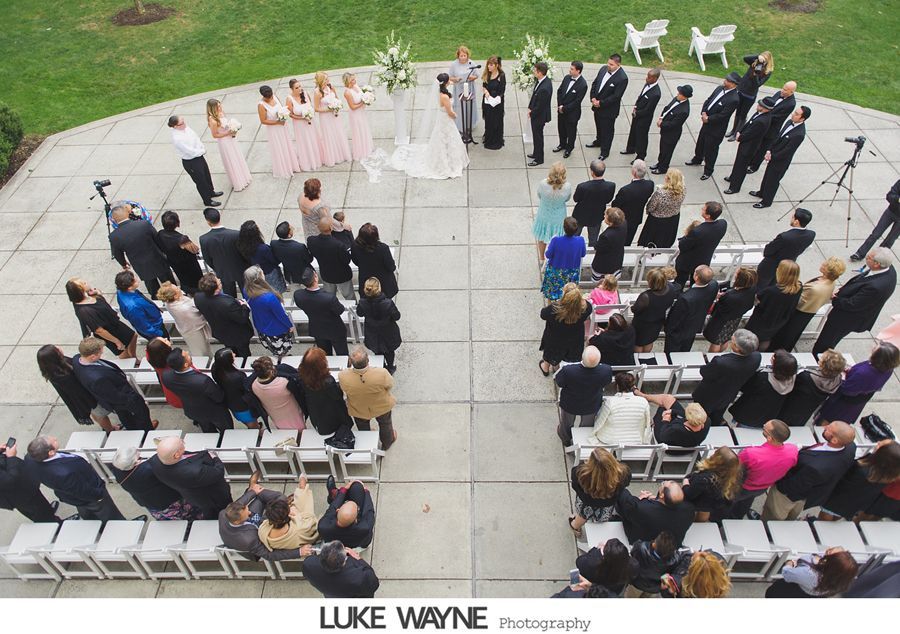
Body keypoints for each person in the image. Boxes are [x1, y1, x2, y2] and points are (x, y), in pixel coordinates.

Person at [762, 421, 857, 521]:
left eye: (829, 429)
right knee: (792, 514)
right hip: (809, 491)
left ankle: (767, 529)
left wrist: (778, 484)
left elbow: (793, 486)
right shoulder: (850, 447)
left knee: (774, 515)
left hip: (788, 495)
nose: (825, 427)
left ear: (834, 440)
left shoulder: (815, 467)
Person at [813, 248, 897, 354]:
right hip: (855, 307)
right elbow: (863, 280)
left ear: (877, 264)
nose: (866, 258)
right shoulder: (888, 268)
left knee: (827, 340)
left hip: (846, 318)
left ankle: (819, 358)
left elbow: (852, 304)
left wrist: (834, 299)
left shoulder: (876, 287)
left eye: (869, 258)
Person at [25, 435, 125, 521]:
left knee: (86, 511)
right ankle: (119, 526)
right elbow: (83, 491)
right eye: (53, 441)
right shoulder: (64, 474)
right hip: (90, 495)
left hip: (71, 494)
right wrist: (99, 495)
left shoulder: (29, 458)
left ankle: (93, 521)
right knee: (108, 513)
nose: (55, 438)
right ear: (50, 452)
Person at [391, 73, 469, 179]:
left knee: (442, 137)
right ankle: (446, 164)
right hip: (446, 119)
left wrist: (452, 81)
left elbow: (449, 84)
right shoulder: (445, 97)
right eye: (448, 81)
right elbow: (450, 112)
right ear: (445, 83)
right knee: (447, 136)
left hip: (442, 118)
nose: (449, 82)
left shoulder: (439, 92)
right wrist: (455, 115)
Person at [72, 337, 157, 431]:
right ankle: (146, 431)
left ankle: (135, 427)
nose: (102, 353)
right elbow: (115, 397)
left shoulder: (77, 358)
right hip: (124, 400)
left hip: (119, 390)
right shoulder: (97, 379)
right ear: (92, 356)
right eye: (100, 352)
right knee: (140, 414)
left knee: (127, 416)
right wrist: (133, 399)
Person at [220, 479, 309, 561]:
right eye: (246, 512)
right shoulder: (250, 540)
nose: (249, 511)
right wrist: (299, 552)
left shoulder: (225, 513)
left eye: (246, 508)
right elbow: (269, 555)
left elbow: (238, 503)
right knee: (279, 510)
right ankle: (283, 506)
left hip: (252, 522)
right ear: (237, 521)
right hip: (259, 531)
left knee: (261, 496)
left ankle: (281, 502)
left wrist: (253, 491)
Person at [769, 257, 846, 351]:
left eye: (825, 265)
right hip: (810, 310)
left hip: (801, 312)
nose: (822, 264)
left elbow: (799, 300)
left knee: (787, 333)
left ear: (828, 271)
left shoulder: (815, 288)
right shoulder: (830, 282)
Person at [728, 419, 798, 519]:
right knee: (746, 502)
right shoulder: (793, 450)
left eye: (765, 427)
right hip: (762, 487)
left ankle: (719, 518)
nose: (763, 425)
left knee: (728, 501)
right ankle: (737, 516)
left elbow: (733, 467)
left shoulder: (751, 453)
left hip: (743, 486)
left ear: (769, 438)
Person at [817, 341, 900, 425]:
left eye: (875, 349)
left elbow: (846, 389)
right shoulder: (887, 369)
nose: (872, 348)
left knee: (827, 422)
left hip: (843, 404)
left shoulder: (864, 373)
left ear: (879, 359)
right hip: (857, 402)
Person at [149, 436, 232, 520]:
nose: (183, 441)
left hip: (193, 495)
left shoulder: (155, 461)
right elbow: (218, 472)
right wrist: (215, 457)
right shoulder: (194, 472)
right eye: (182, 443)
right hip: (212, 497)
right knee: (220, 511)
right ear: (177, 455)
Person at [692, 329, 761, 425]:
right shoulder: (756, 357)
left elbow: (705, 372)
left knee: (700, 415)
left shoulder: (721, 362)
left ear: (737, 348)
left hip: (709, 394)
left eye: (732, 341)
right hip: (730, 393)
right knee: (718, 413)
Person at [37, 345, 114, 431]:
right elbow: (80, 391)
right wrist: (94, 402)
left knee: (97, 414)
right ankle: (110, 430)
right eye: (56, 349)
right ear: (54, 356)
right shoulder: (63, 376)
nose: (59, 348)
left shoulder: (53, 369)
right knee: (100, 415)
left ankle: (108, 428)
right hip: (87, 399)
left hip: (83, 399)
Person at [819, 439, 900, 521]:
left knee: (827, 513)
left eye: (880, 445)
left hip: (838, 498)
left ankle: (820, 524)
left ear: (882, 455)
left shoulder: (862, 469)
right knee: (839, 513)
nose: (878, 443)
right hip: (855, 504)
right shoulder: (889, 476)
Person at [110, 446, 198, 521]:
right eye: (138, 455)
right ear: (135, 462)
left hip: (149, 503)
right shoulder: (148, 469)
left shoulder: (117, 469)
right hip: (169, 500)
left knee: (168, 520)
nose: (139, 452)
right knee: (186, 516)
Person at [108, 204, 174, 299]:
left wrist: (123, 264)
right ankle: (173, 295)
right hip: (157, 259)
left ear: (114, 220)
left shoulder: (114, 236)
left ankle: (157, 299)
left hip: (140, 265)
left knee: (152, 286)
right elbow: (157, 239)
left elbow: (118, 254)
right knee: (168, 281)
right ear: (127, 214)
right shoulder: (144, 224)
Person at [750, 106, 811, 208]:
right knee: (767, 176)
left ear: (802, 119)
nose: (793, 114)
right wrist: (769, 150)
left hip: (780, 161)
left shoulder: (799, 134)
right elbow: (778, 137)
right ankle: (761, 192)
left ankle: (766, 201)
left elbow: (787, 151)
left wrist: (772, 157)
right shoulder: (789, 122)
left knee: (773, 181)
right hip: (773, 155)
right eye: (794, 112)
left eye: (796, 114)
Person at [162, 347, 233, 432]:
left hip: (193, 410)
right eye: (186, 355)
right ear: (185, 365)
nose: (188, 353)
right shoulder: (202, 381)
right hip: (214, 412)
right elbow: (218, 397)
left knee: (207, 429)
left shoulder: (166, 376)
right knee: (226, 430)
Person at [339, 346, 397, 450]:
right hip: (381, 406)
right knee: (385, 424)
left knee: (363, 427)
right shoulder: (381, 373)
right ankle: (387, 442)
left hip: (358, 408)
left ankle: (367, 444)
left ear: (351, 362)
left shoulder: (343, 376)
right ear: (368, 360)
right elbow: (389, 385)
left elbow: (344, 389)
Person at [685, 72, 740, 180]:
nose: (725, 81)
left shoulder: (734, 99)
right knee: (701, 142)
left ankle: (708, 170)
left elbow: (723, 115)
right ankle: (697, 158)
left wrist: (708, 119)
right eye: (726, 79)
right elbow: (709, 100)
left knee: (711, 149)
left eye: (728, 81)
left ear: (734, 84)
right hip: (706, 122)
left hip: (716, 129)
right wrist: (704, 112)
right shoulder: (719, 88)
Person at [67, 277, 137, 359]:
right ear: (80, 291)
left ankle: (134, 357)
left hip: (114, 323)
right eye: (84, 283)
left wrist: (98, 293)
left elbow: (100, 302)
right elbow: (99, 330)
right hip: (108, 332)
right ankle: (132, 362)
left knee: (133, 336)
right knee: (123, 351)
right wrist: (116, 341)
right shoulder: (84, 311)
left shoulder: (89, 295)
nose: (87, 282)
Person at [554, 346, 612, 444]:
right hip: (591, 403)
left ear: (582, 357)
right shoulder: (605, 370)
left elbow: (559, 382)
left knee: (566, 423)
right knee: (587, 425)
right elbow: (606, 382)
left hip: (570, 403)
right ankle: (582, 440)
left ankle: (565, 438)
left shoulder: (568, 371)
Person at [569, 448, 631, 536]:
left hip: (586, 503)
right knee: (603, 518)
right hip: (608, 504)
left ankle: (576, 527)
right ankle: (598, 533)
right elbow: (626, 484)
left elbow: (575, 486)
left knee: (582, 515)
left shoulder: (580, 473)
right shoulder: (624, 473)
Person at [729, 349, 797, 428]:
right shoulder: (792, 379)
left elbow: (746, 387)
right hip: (767, 415)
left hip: (749, 412)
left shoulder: (763, 378)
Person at [745, 259, 802, 351]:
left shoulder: (772, 291)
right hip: (779, 321)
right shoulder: (798, 288)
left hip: (762, 320)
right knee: (766, 339)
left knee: (750, 340)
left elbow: (757, 299)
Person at [777, 350, 846, 426]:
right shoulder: (837, 380)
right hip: (806, 411)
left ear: (823, 365)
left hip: (791, 406)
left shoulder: (807, 377)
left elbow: (791, 385)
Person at [193, 273, 254, 358]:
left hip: (220, 332)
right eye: (219, 282)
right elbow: (242, 318)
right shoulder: (227, 304)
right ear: (216, 289)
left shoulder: (198, 297)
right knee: (244, 354)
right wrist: (244, 306)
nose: (220, 280)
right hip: (237, 334)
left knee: (230, 351)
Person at [616, 481, 695, 546]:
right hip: (669, 546)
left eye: (664, 484)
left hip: (641, 543)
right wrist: (656, 501)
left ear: (662, 495)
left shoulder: (642, 508)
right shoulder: (689, 510)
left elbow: (626, 502)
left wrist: (638, 500)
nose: (665, 482)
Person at [298, 346, 354, 438]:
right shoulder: (328, 381)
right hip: (332, 412)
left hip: (316, 411)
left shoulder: (302, 376)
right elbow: (337, 396)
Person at [167, 114, 222, 206]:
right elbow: (189, 151)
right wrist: (201, 151)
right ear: (175, 126)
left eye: (184, 121)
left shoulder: (185, 128)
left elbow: (196, 137)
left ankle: (211, 192)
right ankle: (207, 201)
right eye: (182, 123)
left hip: (199, 156)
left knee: (206, 175)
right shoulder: (177, 138)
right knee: (200, 181)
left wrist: (201, 147)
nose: (184, 124)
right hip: (191, 161)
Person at [723, 96, 774, 194]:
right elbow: (749, 124)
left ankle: (734, 187)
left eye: (760, 105)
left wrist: (740, 137)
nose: (758, 105)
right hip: (745, 143)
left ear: (766, 108)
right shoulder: (759, 114)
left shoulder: (762, 121)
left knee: (741, 167)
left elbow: (751, 133)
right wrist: (740, 131)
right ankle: (733, 177)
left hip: (749, 147)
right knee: (738, 163)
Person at [538, 282, 592, 376]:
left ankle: (546, 368)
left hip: (555, 337)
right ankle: (557, 368)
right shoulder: (586, 308)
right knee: (567, 353)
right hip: (574, 338)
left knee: (551, 352)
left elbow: (543, 314)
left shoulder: (555, 309)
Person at [755, 208, 816, 289]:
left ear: (796, 222)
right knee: (774, 283)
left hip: (770, 266)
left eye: (792, 217)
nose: (791, 219)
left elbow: (768, 251)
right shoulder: (811, 234)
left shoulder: (784, 237)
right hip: (787, 265)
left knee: (760, 283)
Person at [1, 439, 60, 523]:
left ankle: (47, 513)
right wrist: (11, 457)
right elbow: (10, 480)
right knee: (36, 509)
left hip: (20, 488)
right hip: (17, 494)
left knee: (38, 504)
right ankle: (55, 524)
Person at [664, 265, 719, 353]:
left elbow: (675, 317)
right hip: (695, 325)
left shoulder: (685, 298)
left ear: (696, 277)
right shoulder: (714, 285)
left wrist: (668, 330)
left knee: (671, 353)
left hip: (679, 331)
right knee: (686, 349)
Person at [293, 269, 349, 355]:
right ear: (316, 278)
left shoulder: (298, 295)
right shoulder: (329, 298)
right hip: (335, 329)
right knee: (342, 353)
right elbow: (340, 310)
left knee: (325, 355)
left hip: (317, 329)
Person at [243, 265, 293, 359]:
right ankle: (281, 356)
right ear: (259, 278)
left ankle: (278, 355)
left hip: (261, 324)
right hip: (276, 328)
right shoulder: (269, 298)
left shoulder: (246, 290)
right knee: (280, 347)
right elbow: (280, 315)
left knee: (272, 346)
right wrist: (289, 325)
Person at [258, 476, 320, 551]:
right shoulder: (301, 528)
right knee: (303, 501)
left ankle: (302, 486)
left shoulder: (263, 531)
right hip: (302, 535)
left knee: (296, 501)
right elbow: (312, 521)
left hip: (290, 537)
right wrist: (297, 515)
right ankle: (302, 485)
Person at [747, 80, 798, 173]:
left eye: (786, 90)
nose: (782, 91)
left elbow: (778, 117)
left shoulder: (790, 104)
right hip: (764, 123)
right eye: (783, 88)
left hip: (771, 129)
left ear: (791, 92)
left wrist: (764, 114)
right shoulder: (779, 93)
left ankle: (754, 166)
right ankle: (749, 161)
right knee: (755, 144)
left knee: (762, 149)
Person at [673, 202, 727, 287]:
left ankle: (678, 294)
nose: (702, 209)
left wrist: (684, 238)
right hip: (704, 260)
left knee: (680, 281)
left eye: (703, 209)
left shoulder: (697, 231)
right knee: (696, 283)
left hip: (687, 262)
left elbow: (682, 246)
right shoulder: (723, 224)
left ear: (708, 216)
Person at [703, 267, 758, 352]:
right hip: (735, 320)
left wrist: (718, 298)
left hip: (721, 321)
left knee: (716, 342)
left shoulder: (731, 296)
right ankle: (720, 353)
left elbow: (719, 307)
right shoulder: (752, 290)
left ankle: (711, 357)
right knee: (725, 339)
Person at [766, 548, 858, 598]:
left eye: (829, 552)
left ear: (831, 563)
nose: (828, 549)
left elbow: (787, 574)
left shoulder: (808, 573)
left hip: (788, 593)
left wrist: (789, 563)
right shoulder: (840, 579)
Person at [303, 539, 380, 598]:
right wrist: (359, 559)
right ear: (343, 561)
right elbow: (374, 584)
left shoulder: (308, 564)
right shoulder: (360, 578)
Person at [589, 372, 651, 445]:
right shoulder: (643, 402)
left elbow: (600, 421)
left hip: (608, 439)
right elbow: (648, 423)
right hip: (635, 440)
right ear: (633, 386)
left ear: (617, 386)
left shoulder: (610, 402)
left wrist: (593, 434)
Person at [683, 447, 742, 521]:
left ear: (716, 460)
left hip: (699, 500)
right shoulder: (731, 477)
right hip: (711, 503)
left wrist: (685, 483)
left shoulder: (704, 479)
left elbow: (689, 494)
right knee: (705, 512)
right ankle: (700, 524)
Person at [587, 53, 628, 160]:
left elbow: (616, 96)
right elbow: (595, 84)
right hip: (596, 106)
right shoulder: (603, 69)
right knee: (599, 126)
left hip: (609, 111)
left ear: (618, 65)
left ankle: (605, 152)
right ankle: (598, 141)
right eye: (608, 63)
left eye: (612, 64)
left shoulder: (622, 78)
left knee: (607, 131)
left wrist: (600, 103)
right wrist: (593, 98)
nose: (609, 66)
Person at [356, 277, 401, 374]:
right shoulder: (388, 303)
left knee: (377, 350)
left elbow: (359, 313)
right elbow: (397, 316)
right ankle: (390, 367)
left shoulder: (363, 302)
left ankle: (382, 366)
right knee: (389, 351)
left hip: (372, 331)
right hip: (388, 331)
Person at [199, 207, 247, 298]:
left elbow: (207, 259)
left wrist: (217, 267)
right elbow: (244, 252)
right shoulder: (235, 234)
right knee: (246, 292)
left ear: (208, 221)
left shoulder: (204, 239)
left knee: (229, 295)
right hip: (240, 268)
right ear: (219, 216)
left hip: (222, 271)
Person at [156, 282, 212, 357]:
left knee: (203, 347)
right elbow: (197, 319)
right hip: (193, 330)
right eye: (177, 289)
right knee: (201, 350)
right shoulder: (182, 309)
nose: (179, 288)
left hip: (185, 326)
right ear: (175, 296)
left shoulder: (169, 301)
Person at [206, 98, 251, 191]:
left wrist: (233, 130)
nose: (220, 107)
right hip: (224, 142)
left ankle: (244, 177)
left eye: (220, 105)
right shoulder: (213, 120)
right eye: (218, 107)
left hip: (231, 139)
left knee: (237, 157)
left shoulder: (221, 113)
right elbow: (215, 135)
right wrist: (228, 133)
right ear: (213, 108)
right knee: (231, 160)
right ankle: (238, 181)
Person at [249, 356, 305, 430]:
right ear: (271, 370)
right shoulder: (284, 382)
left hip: (274, 414)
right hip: (292, 412)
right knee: (299, 428)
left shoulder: (253, 385)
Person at [727, 51, 774, 139]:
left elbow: (758, 84)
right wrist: (758, 57)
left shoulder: (767, 72)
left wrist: (756, 75)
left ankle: (737, 132)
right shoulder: (754, 63)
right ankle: (733, 130)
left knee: (743, 114)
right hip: (741, 90)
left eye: (764, 60)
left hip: (750, 95)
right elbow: (745, 58)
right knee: (738, 112)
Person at [318, 479, 376, 548]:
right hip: (359, 543)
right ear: (356, 520)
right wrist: (366, 491)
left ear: (338, 510)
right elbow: (369, 511)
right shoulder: (364, 528)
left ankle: (335, 495)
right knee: (357, 487)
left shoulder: (323, 526)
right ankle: (337, 494)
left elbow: (332, 508)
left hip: (334, 540)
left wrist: (344, 489)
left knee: (339, 498)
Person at [257, 84, 300, 178]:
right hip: (274, 129)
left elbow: (282, 108)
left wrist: (284, 115)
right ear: (263, 96)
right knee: (279, 147)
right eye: (268, 97)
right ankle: (284, 167)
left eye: (271, 96)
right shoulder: (261, 105)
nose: (271, 98)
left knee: (286, 144)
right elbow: (263, 121)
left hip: (282, 126)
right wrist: (277, 122)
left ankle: (292, 163)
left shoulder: (275, 97)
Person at [851, 179, 900, 261]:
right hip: (891, 212)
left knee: (890, 239)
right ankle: (860, 253)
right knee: (875, 234)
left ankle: (878, 258)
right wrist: (898, 199)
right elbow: (889, 196)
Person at [638, 390, 708, 447]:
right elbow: (685, 415)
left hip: (667, 442)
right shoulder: (707, 422)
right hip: (681, 439)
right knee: (668, 400)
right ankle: (644, 396)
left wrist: (665, 420)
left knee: (662, 409)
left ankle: (644, 397)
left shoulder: (676, 430)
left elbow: (663, 436)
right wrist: (673, 411)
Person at [631, 268, 679, 353]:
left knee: (638, 343)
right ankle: (646, 356)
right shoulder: (671, 288)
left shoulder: (646, 296)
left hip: (642, 324)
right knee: (649, 340)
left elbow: (635, 310)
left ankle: (638, 359)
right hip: (658, 321)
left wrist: (631, 306)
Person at [533, 162, 573, 261]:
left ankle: (542, 258)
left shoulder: (543, 183)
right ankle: (553, 258)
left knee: (542, 237)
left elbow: (539, 195)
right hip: (559, 216)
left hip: (544, 213)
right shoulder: (567, 186)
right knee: (557, 239)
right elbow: (567, 199)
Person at [157, 211, 203, 295]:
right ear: (177, 223)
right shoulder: (181, 239)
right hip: (188, 264)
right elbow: (195, 250)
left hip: (174, 262)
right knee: (194, 281)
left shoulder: (160, 234)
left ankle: (187, 289)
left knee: (183, 278)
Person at [571, 160, 615, 248]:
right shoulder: (610, 186)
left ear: (592, 172)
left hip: (580, 216)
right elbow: (608, 200)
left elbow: (576, 199)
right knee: (593, 240)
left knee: (573, 237)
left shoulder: (582, 186)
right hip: (596, 216)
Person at [636, 168, 685, 248]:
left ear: (668, 179)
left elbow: (651, 207)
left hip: (657, 221)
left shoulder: (660, 193)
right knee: (665, 240)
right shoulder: (682, 190)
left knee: (651, 241)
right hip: (673, 218)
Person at [308, 217, 355, 301]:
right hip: (342, 276)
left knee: (329, 298)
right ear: (331, 228)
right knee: (349, 297)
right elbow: (347, 260)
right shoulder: (339, 245)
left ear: (318, 228)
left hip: (326, 275)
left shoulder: (311, 241)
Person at [210, 348, 258, 427]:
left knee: (245, 419)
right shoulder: (237, 377)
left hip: (231, 402)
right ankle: (256, 430)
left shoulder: (215, 368)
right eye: (232, 355)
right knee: (251, 421)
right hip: (243, 404)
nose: (235, 355)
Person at [629, 532, 687, 597]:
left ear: (654, 544)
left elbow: (632, 552)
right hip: (655, 587)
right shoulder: (673, 561)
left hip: (636, 582)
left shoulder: (640, 547)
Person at [541, 217, 586, 301]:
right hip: (572, 272)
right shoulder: (581, 240)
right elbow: (583, 254)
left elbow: (548, 255)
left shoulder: (556, 240)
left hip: (556, 271)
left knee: (552, 294)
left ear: (564, 228)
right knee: (569, 295)